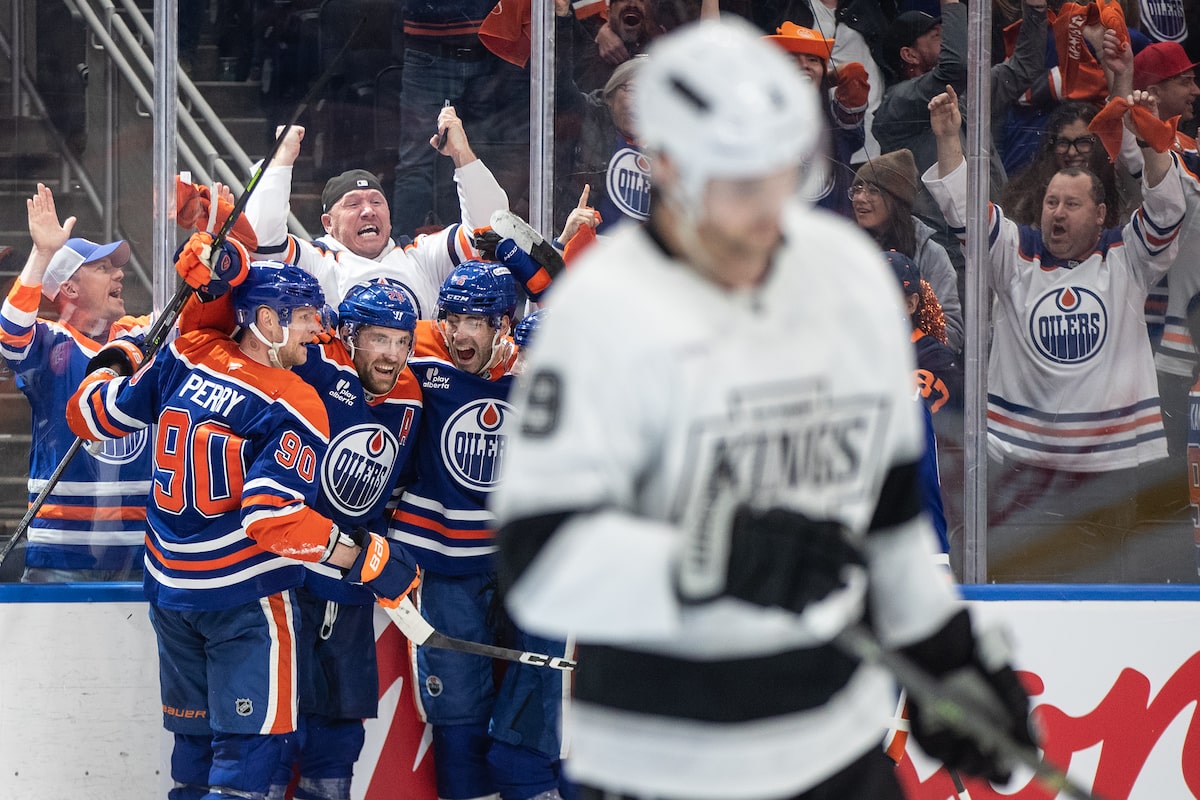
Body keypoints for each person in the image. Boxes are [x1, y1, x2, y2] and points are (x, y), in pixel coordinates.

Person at [492, 19, 1035, 799]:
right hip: (666, 752)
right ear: (667, 167)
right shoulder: (603, 312)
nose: (761, 210)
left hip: (827, 739)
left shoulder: (847, 282)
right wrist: (716, 559)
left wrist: (945, 657)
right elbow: (540, 558)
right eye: (732, 180)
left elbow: (888, 520)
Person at [65, 256, 419, 800]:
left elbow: (90, 416)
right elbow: (273, 518)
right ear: (268, 322)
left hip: (170, 592)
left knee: (193, 756)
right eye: (304, 317)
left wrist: (120, 359)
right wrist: (364, 557)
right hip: (243, 599)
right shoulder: (293, 399)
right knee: (247, 766)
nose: (316, 329)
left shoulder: (187, 353)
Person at [924, 81, 1185, 581]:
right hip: (1023, 468)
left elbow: (1166, 213)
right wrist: (948, 138)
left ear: (1101, 214)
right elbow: (966, 212)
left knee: (1104, 593)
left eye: (1071, 204)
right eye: (1051, 203)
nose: (1057, 213)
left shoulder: (1125, 259)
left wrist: (1155, 148)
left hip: (1110, 473)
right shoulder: (1014, 256)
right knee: (1027, 587)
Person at [388, 261, 567, 800]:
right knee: (458, 712)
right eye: (452, 318)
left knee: (529, 713)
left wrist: (544, 265)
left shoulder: (536, 367)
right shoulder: (418, 361)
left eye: (476, 321)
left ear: (503, 325)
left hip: (517, 570)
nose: (460, 332)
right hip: (443, 570)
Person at [0, 183, 152, 582]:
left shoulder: (134, 335)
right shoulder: (52, 343)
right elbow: (11, 332)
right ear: (68, 288)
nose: (119, 273)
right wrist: (43, 253)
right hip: (61, 557)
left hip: (142, 554)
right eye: (102, 268)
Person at [245, 118, 508, 314]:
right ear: (328, 223)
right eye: (353, 204)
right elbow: (261, 241)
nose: (368, 210)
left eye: (376, 201)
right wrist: (281, 159)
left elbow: (491, 229)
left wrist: (461, 153)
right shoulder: (315, 261)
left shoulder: (422, 256)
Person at [391, 0, 531, 237]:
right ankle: (403, 255)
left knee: (478, 157)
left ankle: (487, 245)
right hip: (430, 49)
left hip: (489, 51)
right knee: (417, 163)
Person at [849, 148, 964, 352]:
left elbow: (951, 333)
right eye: (857, 189)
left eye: (873, 190)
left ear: (897, 200)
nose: (860, 197)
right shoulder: (844, 249)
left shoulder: (931, 255)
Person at [763, 22, 869, 218]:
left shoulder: (837, 120)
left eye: (812, 60)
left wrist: (822, 81)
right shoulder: (759, 120)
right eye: (791, 59)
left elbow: (854, 73)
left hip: (831, 233)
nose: (803, 65)